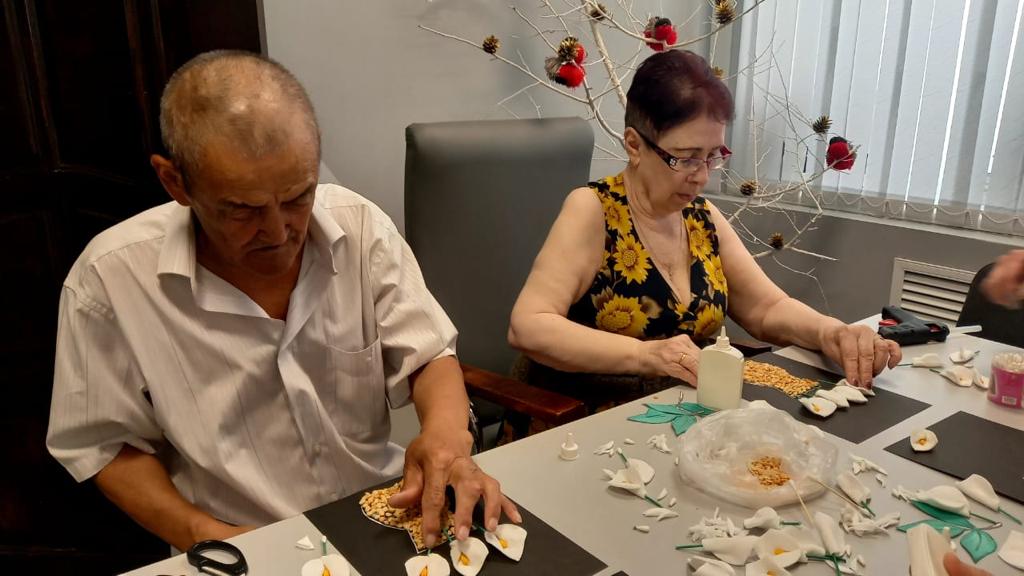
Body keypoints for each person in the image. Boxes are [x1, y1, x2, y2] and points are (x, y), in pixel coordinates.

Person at [46, 50, 517, 552]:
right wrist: (205, 535)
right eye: (242, 210)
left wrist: (445, 439)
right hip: (235, 538)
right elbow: (105, 444)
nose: (278, 232)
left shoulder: (360, 227)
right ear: (175, 182)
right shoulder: (109, 280)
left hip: (382, 513)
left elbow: (427, 355)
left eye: (297, 197)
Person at [508, 50, 901, 410]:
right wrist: (646, 355)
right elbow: (529, 326)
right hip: (581, 420)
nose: (702, 177)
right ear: (634, 145)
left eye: (713, 156)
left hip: (685, 412)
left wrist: (831, 332)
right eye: (685, 158)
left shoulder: (701, 217)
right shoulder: (594, 209)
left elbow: (766, 308)